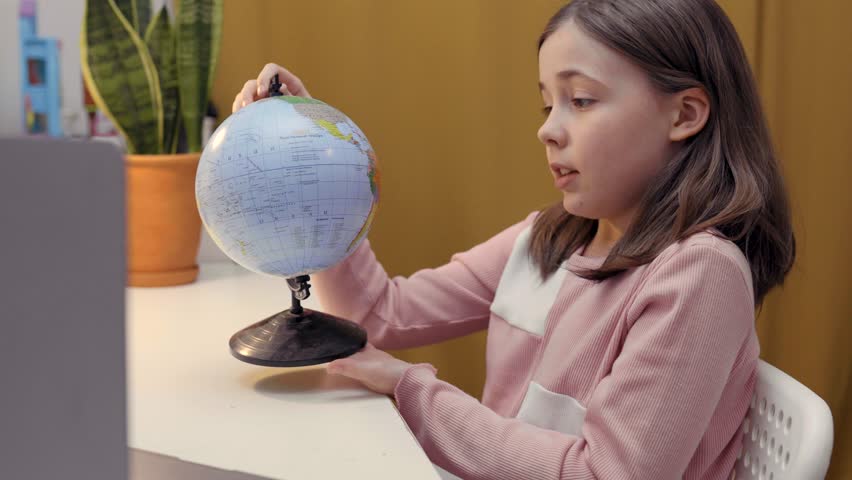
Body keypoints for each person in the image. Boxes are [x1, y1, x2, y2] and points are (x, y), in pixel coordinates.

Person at [231, 0, 795, 478]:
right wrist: (323, 166)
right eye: (548, 103)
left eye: (582, 100)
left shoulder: (699, 273)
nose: (548, 128)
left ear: (685, 114)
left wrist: (412, 389)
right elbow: (379, 314)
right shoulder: (547, 239)